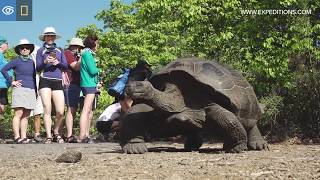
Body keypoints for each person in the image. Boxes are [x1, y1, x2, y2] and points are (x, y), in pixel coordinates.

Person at [96, 60, 152, 140]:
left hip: (102, 123)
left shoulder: (118, 101)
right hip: (103, 124)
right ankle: (117, 134)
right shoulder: (121, 102)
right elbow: (129, 112)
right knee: (129, 120)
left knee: (127, 118)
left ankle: (110, 134)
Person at [1, 39, 37, 144]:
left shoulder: (32, 62)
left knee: (26, 115)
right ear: (19, 50)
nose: (25, 49)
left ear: (30, 50)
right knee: (19, 113)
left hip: (31, 89)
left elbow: (34, 77)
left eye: (27, 47)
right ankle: (17, 137)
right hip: (20, 89)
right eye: (22, 48)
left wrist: (35, 90)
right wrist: (12, 81)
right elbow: (3, 70)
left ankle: (23, 137)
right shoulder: (16, 61)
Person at [36, 27, 68, 143]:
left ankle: (56, 131)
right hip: (45, 80)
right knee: (47, 109)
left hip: (57, 81)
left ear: (54, 37)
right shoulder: (40, 51)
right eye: (48, 36)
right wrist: (45, 62)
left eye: (52, 36)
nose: (50, 38)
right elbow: (37, 68)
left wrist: (57, 63)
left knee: (60, 111)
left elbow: (66, 66)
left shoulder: (60, 50)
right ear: (44, 37)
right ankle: (49, 135)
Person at [63, 38, 84, 143]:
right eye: (78, 47)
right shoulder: (67, 54)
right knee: (71, 109)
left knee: (75, 109)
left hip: (78, 84)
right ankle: (69, 135)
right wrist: (82, 58)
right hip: (71, 84)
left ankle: (70, 134)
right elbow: (75, 67)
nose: (79, 49)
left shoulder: (75, 55)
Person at [79, 35, 99, 143]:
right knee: (86, 110)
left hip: (88, 83)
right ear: (93, 43)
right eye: (97, 42)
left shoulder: (86, 53)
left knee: (89, 110)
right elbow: (92, 70)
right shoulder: (87, 54)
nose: (98, 45)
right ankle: (82, 135)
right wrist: (99, 69)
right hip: (89, 83)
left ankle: (86, 134)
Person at [29, 45, 44, 143]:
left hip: (40, 89)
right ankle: (22, 135)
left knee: (38, 113)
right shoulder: (27, 64)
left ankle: (37, 133)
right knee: (25, 113)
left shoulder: (41, 68)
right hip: (29, 89)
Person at [0, 36, 11, 144]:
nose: (8, 45)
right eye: (6, 43)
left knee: (1, 109)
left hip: (4, 86)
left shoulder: (3, 57)